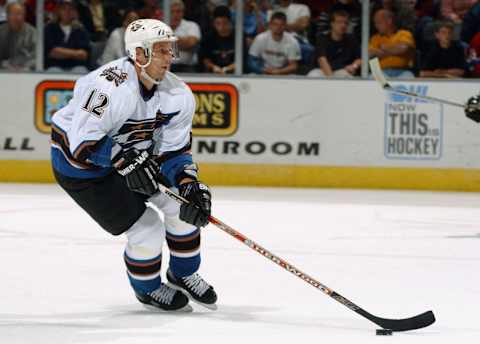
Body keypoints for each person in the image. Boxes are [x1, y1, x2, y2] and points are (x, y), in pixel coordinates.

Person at [50, 18, 217, 312]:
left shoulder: (178, 95)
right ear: (140, 54)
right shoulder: (108, 88)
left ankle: (183, 272)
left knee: (183, 207)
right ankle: (148, 289)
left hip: (134, 157)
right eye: (162, 51)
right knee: (147, 228)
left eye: (170, 50)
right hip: (85, 172)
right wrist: (123, 161)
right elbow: (79, 146)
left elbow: (175, 151)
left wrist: (189, 183)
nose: (170, 58)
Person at [307, 10, 361, 78]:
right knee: (313, 75)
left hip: (342, 70)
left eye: (346, 23)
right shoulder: (322, 38)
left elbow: (360, 58)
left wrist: (353, 66)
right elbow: (322, 60)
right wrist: (331, 80)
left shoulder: (351, 39)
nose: (343, 25)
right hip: (323, 70)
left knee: (347, 77)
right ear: (332, 23)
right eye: (339, 22)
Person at [44, 0, 90, 73]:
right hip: (55, 66)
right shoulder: (50, 28)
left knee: (81, 71)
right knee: (53, 72)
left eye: (70, 9)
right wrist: (75, 53)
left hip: (76, 66)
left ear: (74, 12)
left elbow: (83, 55)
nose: (67, 12)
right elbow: (52, 53)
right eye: (64, 9)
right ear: (58, 11)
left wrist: (61, 52)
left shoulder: (80, 29)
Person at [369, 9, 416, 78]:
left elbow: (404, 48)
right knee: (372, 78)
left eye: (379, 22)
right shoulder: (375, 38)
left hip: (403, 71)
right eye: (375, 23)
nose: (376, 26)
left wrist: (382, 48)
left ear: (389, 21)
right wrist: (395, 50)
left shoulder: (404, 34)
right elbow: (370, 54)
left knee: (409, 78)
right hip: (380, 72)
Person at [200, 5, 237, 74]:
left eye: (225, 23)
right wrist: (213, 67)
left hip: (234, 73)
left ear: (230, 22)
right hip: (212, 74)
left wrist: (226, 69)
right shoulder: (208, 37)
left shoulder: (238, 37)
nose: (221, 27)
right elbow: (205, 59)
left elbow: (241, 60)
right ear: (213, 23)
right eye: (218, 23)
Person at [0, 2, 36, 71]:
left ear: (24, 16)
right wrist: (5, 65)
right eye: (12, 14)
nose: (15, 17)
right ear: (7, 16)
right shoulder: (1, 31)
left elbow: (37, 57)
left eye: (19, 14)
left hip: (27, 73)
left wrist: (25, 67)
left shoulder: (33, 33)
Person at [169, 0, 202, 73]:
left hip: (187, 67)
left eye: (178, 11)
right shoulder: (162, 25)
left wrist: (167, 41)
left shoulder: (192, 25)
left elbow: (191, 43)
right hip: (166, 67)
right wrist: (182, 42)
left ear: (183, 12)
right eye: (172, 11)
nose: (175, 14)